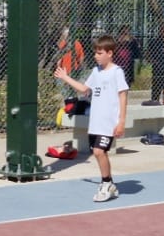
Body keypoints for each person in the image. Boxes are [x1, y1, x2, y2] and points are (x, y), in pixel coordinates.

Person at [54, 34, 130, 202]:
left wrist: (121, 122)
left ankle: (106, 183)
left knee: (98, 151)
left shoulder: (117, 72)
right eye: (95, 52)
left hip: (109, 124)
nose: (96, 55)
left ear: (110, 53)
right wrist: (65, 77)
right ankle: (109, 182)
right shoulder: (96, 72)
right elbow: (83, 89)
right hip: (95, 123)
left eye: (99, 52)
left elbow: (123, 96)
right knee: (98, 154)